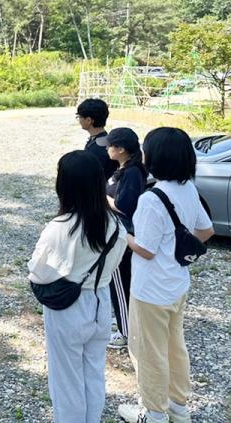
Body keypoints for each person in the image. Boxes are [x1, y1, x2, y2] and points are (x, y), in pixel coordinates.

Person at [118, 128, 214, 423]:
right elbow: (206, 230)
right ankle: (178, 408)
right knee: (175, 347)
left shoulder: (152, 198)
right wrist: (175, 249)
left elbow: (145, 250)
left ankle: (154, 413)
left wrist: (123, 235)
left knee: (149, 352)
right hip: (177, 283)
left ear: (155, 158)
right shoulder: (188, 189)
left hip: (150, 289)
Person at [28, 150, 127, 423]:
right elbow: (115, 262)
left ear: (65, 185)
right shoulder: (115, 224)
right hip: (100, 301)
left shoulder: (60, 227)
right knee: (93, 372)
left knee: (66, 380)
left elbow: (38, 273)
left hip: (68, 308)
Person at [104, 128, 147, 349]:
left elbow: (125, 206)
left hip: (123, 236)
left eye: (110, 145)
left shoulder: (131, 173)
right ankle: (125, 320)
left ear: (120, 149)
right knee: (121, 283)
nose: (107, 149)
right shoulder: (124, 168)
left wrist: (103, 198)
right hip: (119, 233)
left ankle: (126, 332)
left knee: (120, 283)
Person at [77, 98, 118, 180]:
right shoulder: (104, 139)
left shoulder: (97, 148)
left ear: (89, 120)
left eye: (79, 117)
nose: (79, 120)